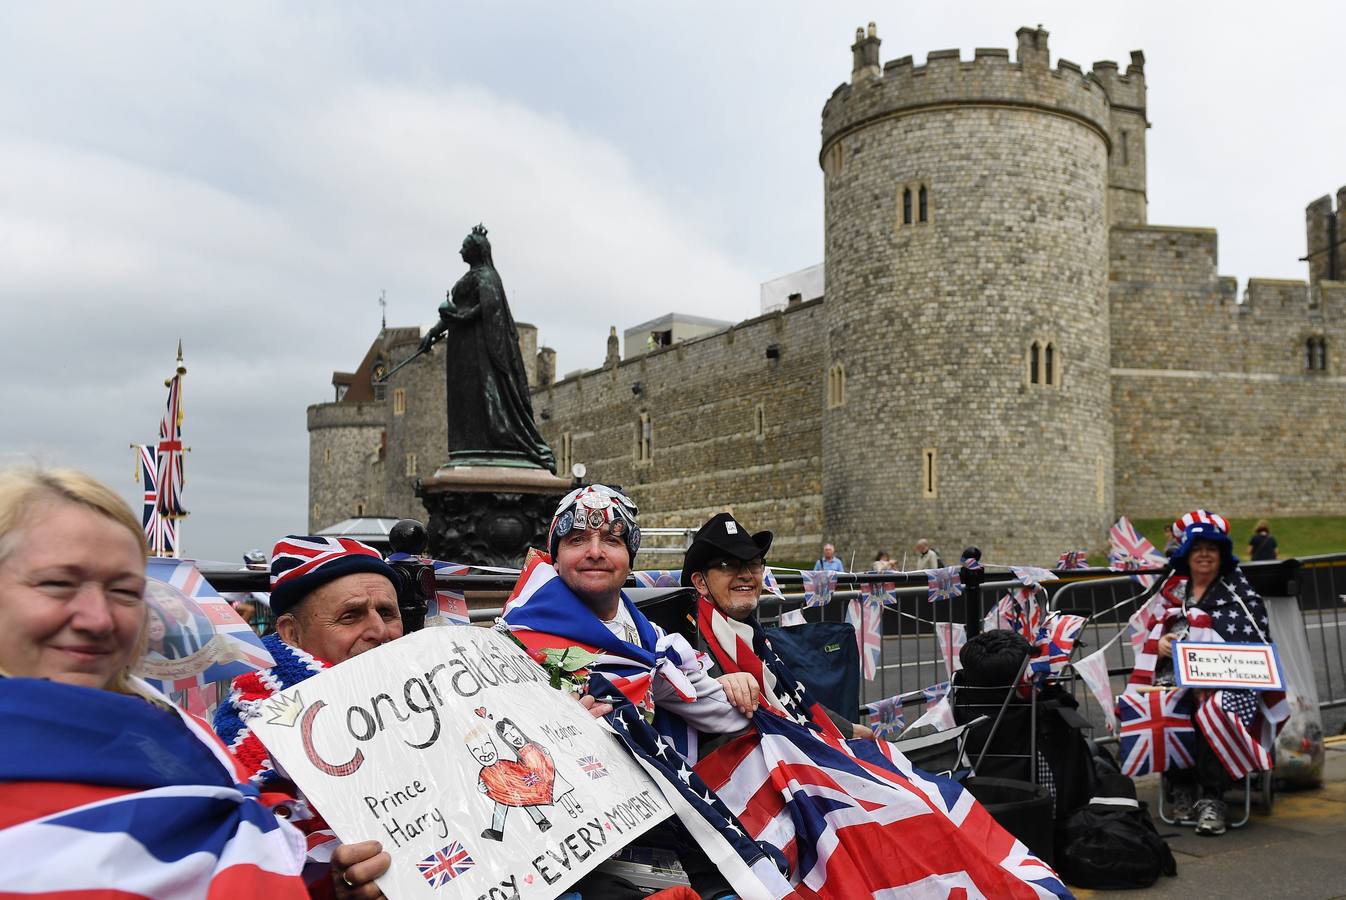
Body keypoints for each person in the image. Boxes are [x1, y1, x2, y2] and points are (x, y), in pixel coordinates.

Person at [0, 468, 307, 896]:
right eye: (57, 584)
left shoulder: (187, 739)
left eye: (125, 592)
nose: (99, 619)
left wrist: (336, 883)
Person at [503, 485, 752, 899]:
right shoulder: (516, 639)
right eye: (577, 539)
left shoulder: (648, 639)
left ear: (629, 557)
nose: (595, 551)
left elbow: (719, 710)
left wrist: (738, 685)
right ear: (556, 553)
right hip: (559, 839)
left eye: (612, 540)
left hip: (650, 822)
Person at [214, 535, 406, 899]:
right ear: (292, 633)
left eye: (387, 612)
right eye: (351, 616)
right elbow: (244, 873)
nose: (380, 632)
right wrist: (330, 887)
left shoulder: (434, 701)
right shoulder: (251, 738)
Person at [1125, 510, 1288, 837]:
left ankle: (1213, 798)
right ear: (1186, 555)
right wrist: (1158, 646)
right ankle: (1182, 787)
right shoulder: (1171, 597)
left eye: (1211, 549)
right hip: (1173, 679)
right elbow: (1146, 638)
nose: (1203, 555)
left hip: (1229, 685)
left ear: (1221, 557)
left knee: (1215, 709)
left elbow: (1257, 649)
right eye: (1197, 548)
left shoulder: (1242, 599)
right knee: (1166, 705)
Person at [682, 512, 875, 745]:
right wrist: (715, 686)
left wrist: (847, 729)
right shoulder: (684, 638)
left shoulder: (755, 635)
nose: (745, 575)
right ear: (701, 583)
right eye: (728, 565)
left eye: (753, 564)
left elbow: (791, 696)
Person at [417, 224, 556, 471]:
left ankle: (495, 441)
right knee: (466, 398)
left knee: (483, 396)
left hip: (480, 350)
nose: (460, 251)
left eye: (465, 247)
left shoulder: (487, 277)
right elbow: (457, 312)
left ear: (476, 251)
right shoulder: (471, 278)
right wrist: (433, 332)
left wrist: (458, 319)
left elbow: (487, 309)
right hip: (462, 350)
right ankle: (470, 445)